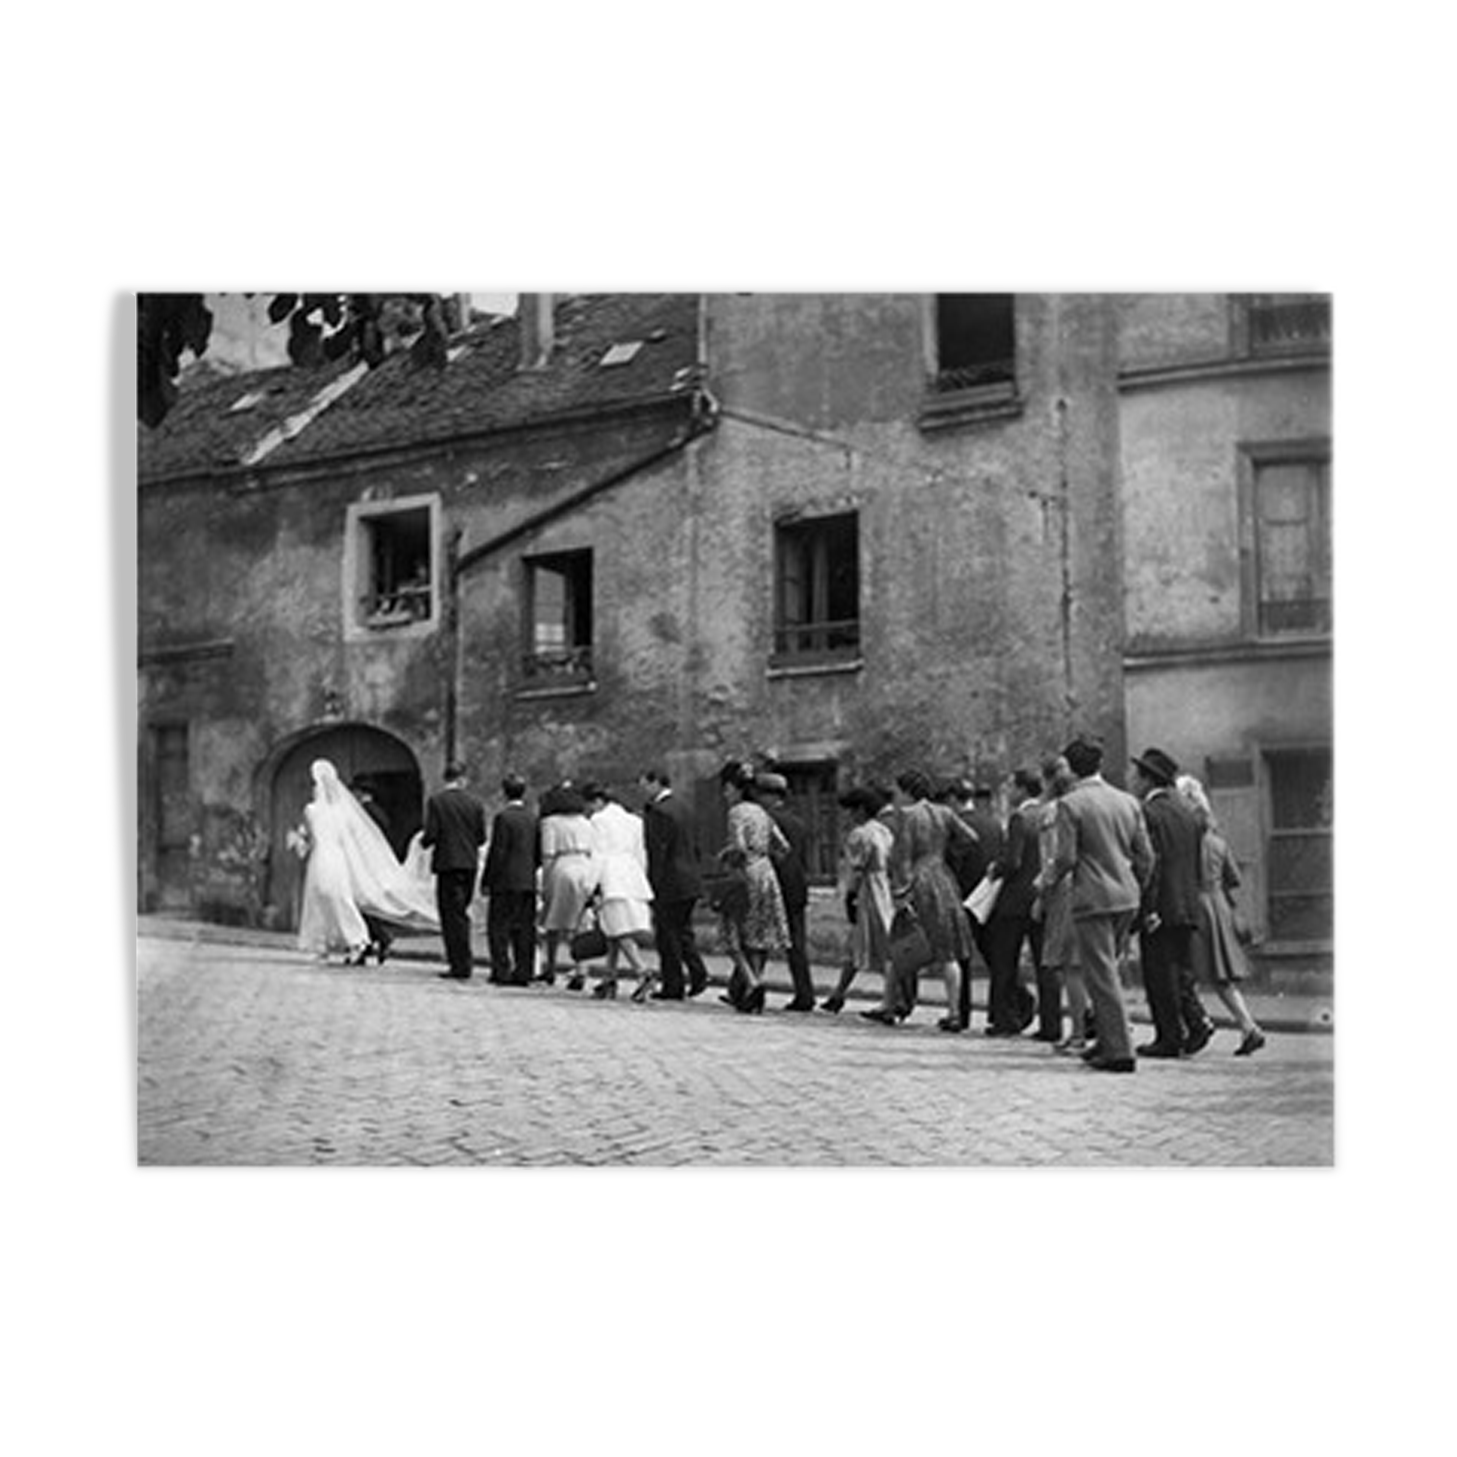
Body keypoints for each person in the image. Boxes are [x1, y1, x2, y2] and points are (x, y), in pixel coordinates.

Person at [1052, 735, 1154, 1073]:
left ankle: (1120, 1050)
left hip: (1093, 898)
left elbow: (1065, 858)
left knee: (1101, 975)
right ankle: (1107, 1042)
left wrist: (1047, 881)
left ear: (1072, 767)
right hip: (1126, 896)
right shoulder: (1127, 801)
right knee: (1108, 970)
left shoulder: (1071, 803)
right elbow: (1146, 857)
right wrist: (1135, 884)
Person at [865, 768, 978, 1030]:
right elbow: (971, 838)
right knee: (948, 950)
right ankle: (953, 1012)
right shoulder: (945, 812)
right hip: (942, 877)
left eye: (897, 790)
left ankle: (889, 1004)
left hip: (919, 881)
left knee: (899, 943)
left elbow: (901, 857)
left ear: (907, 792)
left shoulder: (907, 816)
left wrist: (900, 892)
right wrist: (948, 854)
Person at [296, 759, 440, 962]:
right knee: (335, 899)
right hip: (339, 859)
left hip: (324, 858)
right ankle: (336, 941)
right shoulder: (343, 812)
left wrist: (299, 843)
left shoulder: (312, 810)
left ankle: (355, 940)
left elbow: (311, 839)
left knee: (332, 899)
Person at [1131, 747, 1215, 1059]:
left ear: (1147, 779)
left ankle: (1169, 1036)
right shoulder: (1187, 812)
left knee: (1159, 973)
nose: (1132, 780)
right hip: (1188, 903)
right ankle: (1194, 1023)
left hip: (1162, 905)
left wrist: (1148, 908)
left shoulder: (1149, 813)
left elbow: (1152, 863)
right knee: (1182, 970)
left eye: (1136, 774)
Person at [1175, 774, 1268, 1056]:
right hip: (1219, 906)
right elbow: (1234, 878)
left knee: (1185, 972)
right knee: (1220, 977)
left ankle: (1200, 1024)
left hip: (1198, 906)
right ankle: (1247, 1026)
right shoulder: (1217, 841)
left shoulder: (1187, 842)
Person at [715, 760, 789, 1014]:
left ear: (734, 789)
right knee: (758, 935)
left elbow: (738, 846)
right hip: (766, 872)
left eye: (726, 790)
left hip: (745, 873)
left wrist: (725, 855)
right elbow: (783, 847)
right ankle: (752, 989)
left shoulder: (736, 812)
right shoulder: (761, 813)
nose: (725, 795)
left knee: (731, 932)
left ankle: (752, 982)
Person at [639, 768, 711, 1001]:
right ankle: (698, 973)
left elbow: (658, 852)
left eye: (644, 784)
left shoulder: (659, 812)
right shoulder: (685, 808)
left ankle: (674, 985)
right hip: (689, 878)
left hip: (670, 880)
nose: (642, 789)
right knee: (682, 931)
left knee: (667, 935)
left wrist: (652, 885)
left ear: (655, 783)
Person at [822, 785, 894, 1013]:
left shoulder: (859, 835)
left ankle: (891, 1000)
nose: (849, 815)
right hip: (884, 888)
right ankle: (838, 993)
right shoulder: (883, 831)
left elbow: (856, 870)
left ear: (861, 810)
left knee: (879, 945)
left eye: (852, 810)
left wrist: (850, 895)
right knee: (857, 946)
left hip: (868, 892)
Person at [1033, 753, 1088, 1051]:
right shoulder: (1084, 807)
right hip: (1085, 887)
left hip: (1062, 890)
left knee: (1071, 967)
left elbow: (1052, 858)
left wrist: (1041, 891)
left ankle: (1079, 1030)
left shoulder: (1051, 813)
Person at [582, 782, 655, 1001]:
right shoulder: (634, 821)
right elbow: (640, 853)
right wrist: (641, 877)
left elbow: (597, 855)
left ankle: (642, 972)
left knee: (619, 930)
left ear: (597, 802)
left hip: (610, 875)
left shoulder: (598, 821)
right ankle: (609, 978)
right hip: (631, 874)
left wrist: (589, 886)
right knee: (613, 929)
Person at [984, 768, 1042, 1037]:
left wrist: (996, 867)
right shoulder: (1049, 813)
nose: (1008, 791)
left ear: (1022, 788)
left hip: (1016, 898)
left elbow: (1013, 861)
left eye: (1011, 786)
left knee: (1004, 960)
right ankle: (1050, 1022)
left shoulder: (1020, 818)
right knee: (1045, 964)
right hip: (1041, 896)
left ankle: (1004, 1017)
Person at [943, 780, 1003, 1032]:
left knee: (961, 956)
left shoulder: (957, 826)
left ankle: (961, 1013)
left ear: (955, 799)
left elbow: (953, 863)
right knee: (995, 957)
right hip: (989, 898)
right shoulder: (994, 824)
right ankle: (1003, 1010)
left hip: (964, 898)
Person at [421, 762, 487, 981]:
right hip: (469, 863)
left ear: (445, 779)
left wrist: (422, 843)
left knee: (451, 915)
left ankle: (459, 963)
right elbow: (481, 837)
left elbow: (431, 833)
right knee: (461, 911)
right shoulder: (475, 803)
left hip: (447, 863)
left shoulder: (437, 802)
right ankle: (462, 961)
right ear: (463, 779)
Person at [757, 772, 816, 1012]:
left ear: (771, 796)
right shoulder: (798, 822)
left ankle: (744, 987)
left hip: (773, 886)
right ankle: (805, 994)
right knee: (796, 945)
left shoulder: (766, 822)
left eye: (761, 794)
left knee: (759, 939)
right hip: (795, 888)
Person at [537, 782, 599, 989]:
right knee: (580, 922)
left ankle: (550, 967)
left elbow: (548, 854)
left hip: (562, 867)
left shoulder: (551, 823)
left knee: (553, 921)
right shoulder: (585, 822)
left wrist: (545, 883)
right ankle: (581, 969)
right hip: (585, 866)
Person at [480, 772, 539, 987]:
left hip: (505, 881)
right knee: (525, 928)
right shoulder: (533, 818)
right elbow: (538, 852)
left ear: (504, 793)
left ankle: (501, 969)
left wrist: (487, 880)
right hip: (527, 880)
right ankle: (524, 971)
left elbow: (498, 852)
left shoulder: (503, 818)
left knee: (499, 927)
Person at [349, 778, 397, 965]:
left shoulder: (365, 813)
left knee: (361, 905)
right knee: (364, 904)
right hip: (375, 864)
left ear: (361, 793)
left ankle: (381, 936)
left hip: (365, 864)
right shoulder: (378, 812)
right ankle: (368, 944)